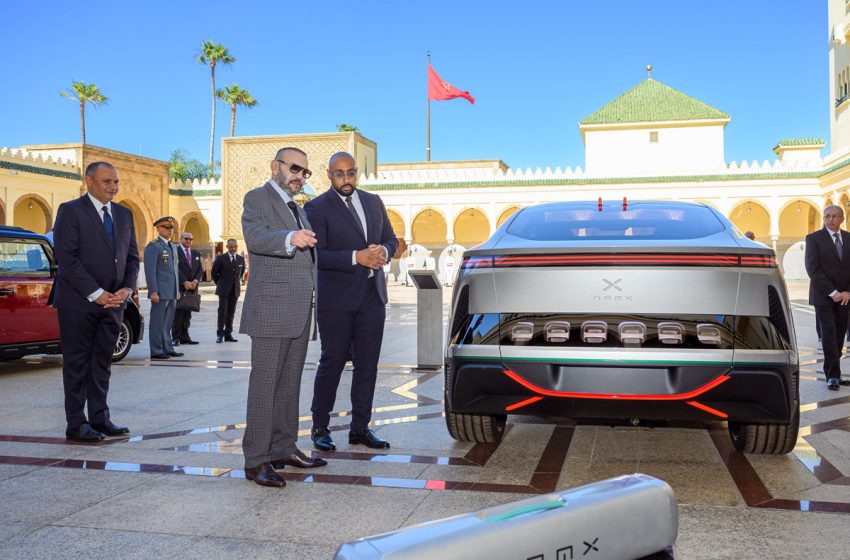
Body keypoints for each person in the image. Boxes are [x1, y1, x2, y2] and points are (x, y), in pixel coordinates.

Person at [239, 146, 325, 488]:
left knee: (289, 384)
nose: (300, 176)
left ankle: (283, 447)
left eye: (305, 172)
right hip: (271, 309)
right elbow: (256, 237)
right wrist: (291, 237)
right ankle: (256, 459)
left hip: (299, 310)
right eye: (294, 168)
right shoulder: (258, 198)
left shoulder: (297, 209)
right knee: (265, 386)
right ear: (276, 166)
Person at [305, 152, 398, 451]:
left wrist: (383, 250)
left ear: (357, 173)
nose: (346, 180)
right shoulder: (317, 207)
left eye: (351, 173)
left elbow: (392, 239)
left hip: (372, 297)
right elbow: (318, 255)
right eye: (339, 174)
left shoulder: (373, 201)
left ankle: (360, 427)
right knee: (332, 362)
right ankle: (320, 426)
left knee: (368, 365)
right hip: (337, 299)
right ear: (329, 174)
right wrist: (356, 257)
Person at [51, 161, 139, 441]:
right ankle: (76, 423)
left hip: (114, 304)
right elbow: (67, 258)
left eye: (116, 182)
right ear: (89, 181)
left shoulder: (124, 215)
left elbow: (132, 257)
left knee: (102, 363)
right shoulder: (71, 211)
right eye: (106, 181)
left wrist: (126, 288)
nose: (113, 187)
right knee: (77, 364)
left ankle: (100, 419)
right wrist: (96, 293)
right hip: (78, 303)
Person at [805, 204, 850, 391]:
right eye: (827, 216)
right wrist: (833, 293)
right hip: (824, 296)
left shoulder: (848, 238)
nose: (831, 219)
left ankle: (836, 374)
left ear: (842, 218)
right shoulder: (814, 238)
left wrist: (847, 292)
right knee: (829, 334)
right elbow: (813, 269)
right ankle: (832, 375)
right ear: (824, 218)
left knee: (840, 334)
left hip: (845, 297)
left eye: (835, 216)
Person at [144, 216, 183, 360]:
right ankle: (156, 350)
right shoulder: (153, 246)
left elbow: (175, 270)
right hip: (160, 292)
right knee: (157, 322)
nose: (170, 231)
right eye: (167, 228)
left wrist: (177, 290)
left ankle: (168, 347)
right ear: (158, 229)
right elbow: (150, 271)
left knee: (167, 323)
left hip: (171, 291)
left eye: (171, 228)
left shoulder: (173, 246)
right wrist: (153, 291)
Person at [211, 239, 245, 343]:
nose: (233, 248)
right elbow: (214, 272)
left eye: (235, 246)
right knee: (222, 312)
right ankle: (220, 334)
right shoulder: (221, 258)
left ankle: (228, 334)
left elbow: (241, 272)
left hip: (235, 290)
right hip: (223, 290)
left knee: (231, 313)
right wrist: (220, 284)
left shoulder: (240, 259)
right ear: (227, 247)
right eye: (231, 247)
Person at [172, 231, 203, 345]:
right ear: (181, 239)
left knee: (188, 313)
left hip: (192, 288)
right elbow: (175, 268)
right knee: (178, 313)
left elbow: (200, 269)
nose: (188, 241)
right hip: (180, 286)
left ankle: (185, 336)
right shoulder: (175, 251)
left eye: (190, 239)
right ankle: (175, 337)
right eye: (186, 239)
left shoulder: (195, 253)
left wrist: (195, 281)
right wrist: (184, 281)